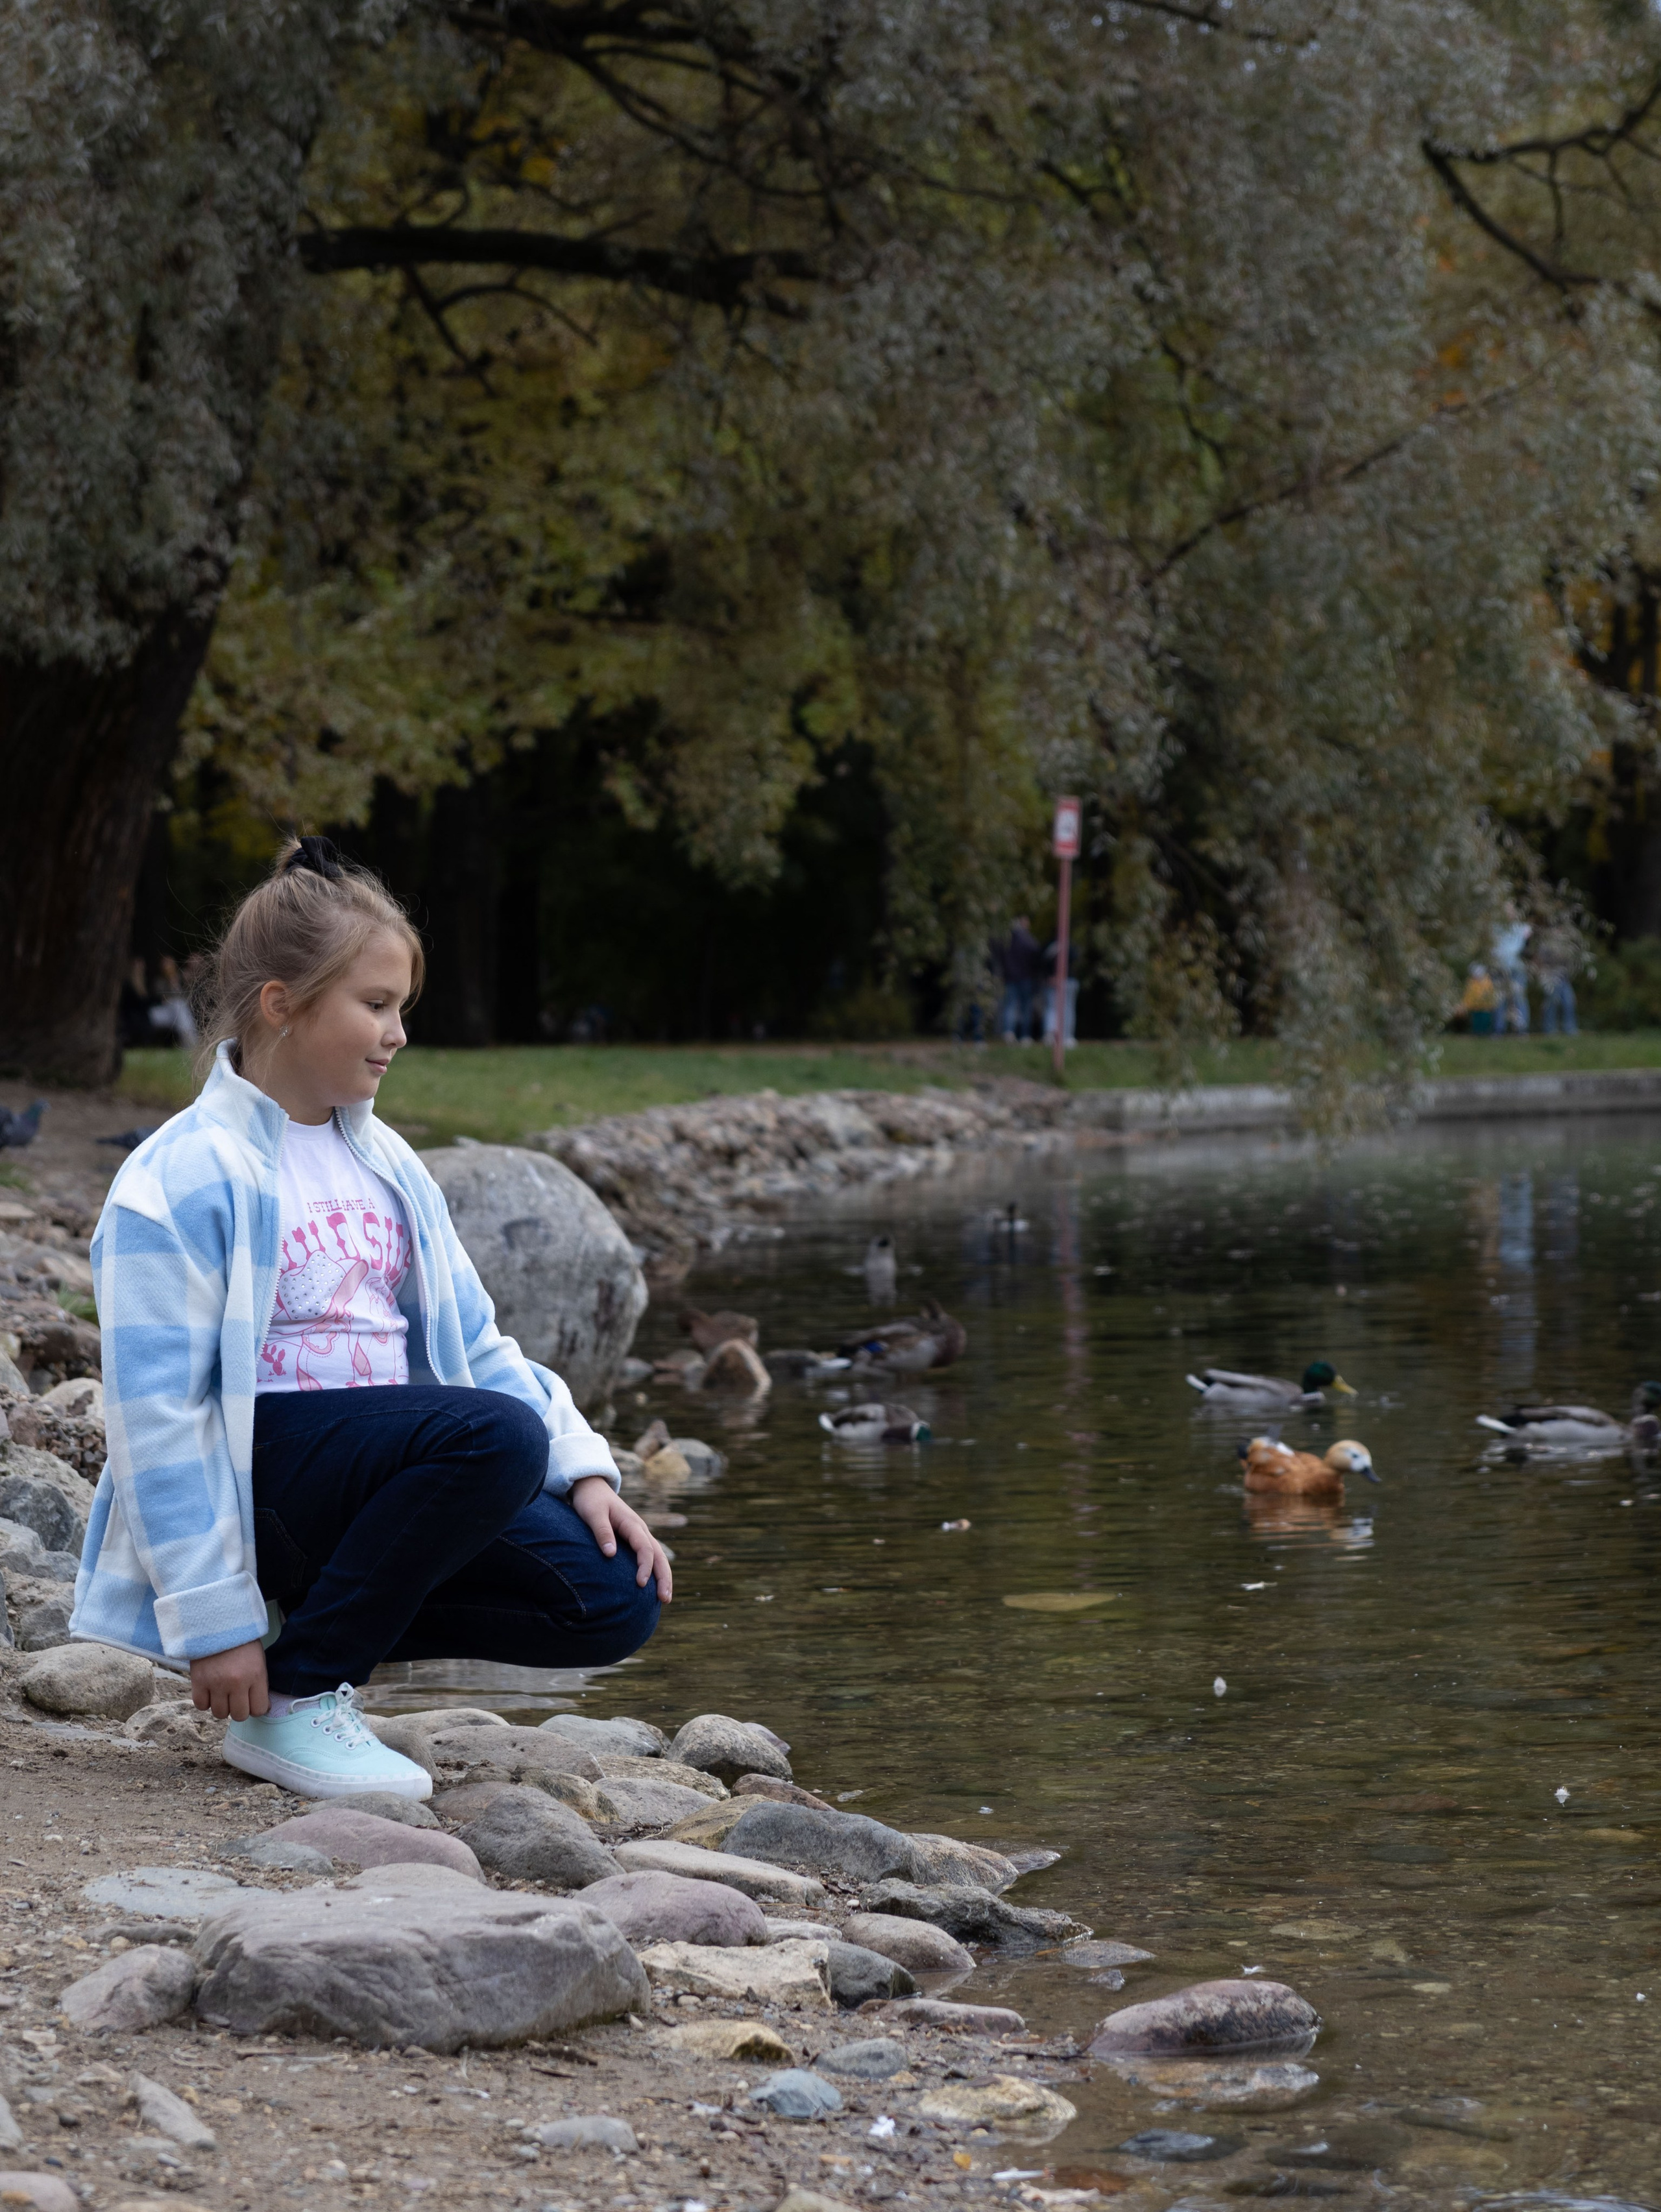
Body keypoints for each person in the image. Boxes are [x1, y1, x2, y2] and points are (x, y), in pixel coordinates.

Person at [71, 836, 669, 1801]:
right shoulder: (179, 1177)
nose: (397, 1034)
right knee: (491, 1436)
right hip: (262, 1485)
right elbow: (156, 1414)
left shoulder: (387, 1162)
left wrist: (583, 1466)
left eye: (402, 1009)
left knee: (613, 1597)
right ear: (283, 1004)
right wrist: (213, 1617)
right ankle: (298, 1696)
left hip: (378, 1480)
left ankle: (314, 1652)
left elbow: (476, 1340)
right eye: (376, 1005)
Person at [997, 917, 1043, 1044]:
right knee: (1026, 1008)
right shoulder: (1029, 941)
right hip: (1026, 978)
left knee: (1010, 1006)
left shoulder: (1007, 941)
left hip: (1010, 978)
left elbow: (1001, 959)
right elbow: (1036, 957)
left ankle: (1008, 1033)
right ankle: (1025, 1036)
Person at [1491, 912, 1532, 1035]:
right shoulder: (1495, 927)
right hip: (1499, 969)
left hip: (1517, 969)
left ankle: (1522, 1029)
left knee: (1519, 998)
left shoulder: (1523, 928)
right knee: (1499, 999)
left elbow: (1528, 947)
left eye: (1511, 910)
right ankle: (1499, 1029)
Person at [1534, 925, 1579, 1036]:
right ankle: (1549, 1030)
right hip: (1551, 978)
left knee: (1569, 1003)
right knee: (1551, 1003)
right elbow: (1540, 963)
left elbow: (1571, 964)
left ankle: (1570, 1030)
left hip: (1564, 979)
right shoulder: (1545, 946)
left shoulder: (1567, 946)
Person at [1042, 937, 1078, 1050]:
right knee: (1058, 1008)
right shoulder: (1057, 946)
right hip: (1059, 981)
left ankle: (1062, 1036)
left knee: (1060, 1009)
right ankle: (1056, 1036)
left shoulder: (1057, 946)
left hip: (1064, 981)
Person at [1459, 963, 1497, 1036]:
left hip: (1486, 1007)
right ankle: (1477, 1032)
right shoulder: (1471, 982)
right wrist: (1466, 1004)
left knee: (1485, 1020)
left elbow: (1491, 994)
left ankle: (1485, 1033)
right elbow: (1468, 994)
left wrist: (1491, 1003)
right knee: (1476, 1021)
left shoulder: (1488, 982)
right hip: (1475, 1007)